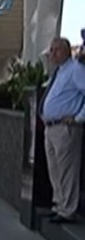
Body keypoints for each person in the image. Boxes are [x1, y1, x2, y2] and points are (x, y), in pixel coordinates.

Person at [41, 37, 85, 224]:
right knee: (55, 169)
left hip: (65, 127)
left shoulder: (75, 70)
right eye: (51, 50)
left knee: (67, 171)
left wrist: (78, 118)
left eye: (56, 50)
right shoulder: (59, 72)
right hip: (51, 127)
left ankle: (68, 210)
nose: (52, 54)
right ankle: (59, 204)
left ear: (66, 51)